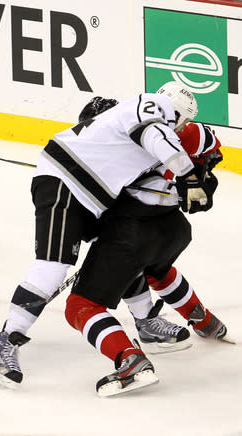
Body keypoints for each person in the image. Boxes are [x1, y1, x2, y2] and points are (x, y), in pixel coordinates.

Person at [0, 81, 209, 390]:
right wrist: (188, 174)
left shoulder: (145, 120)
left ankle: (145, 322)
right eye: (183, 120)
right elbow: (155, 135)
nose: (183, 127)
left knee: (124, 251)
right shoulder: (156, 108)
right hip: (66, 185)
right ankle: (5, 343)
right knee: (53, 266)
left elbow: (192, 143)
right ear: (176, 111)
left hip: (93, 194)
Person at [78, 96, 228, 354]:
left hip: (146, 226)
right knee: (156, 269)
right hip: (171, 226)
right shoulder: (154, 132)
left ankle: (146, 320)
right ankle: (203, 319)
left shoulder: (112, 157)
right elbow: (208, 139)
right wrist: (202, 169)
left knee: (133, 263)